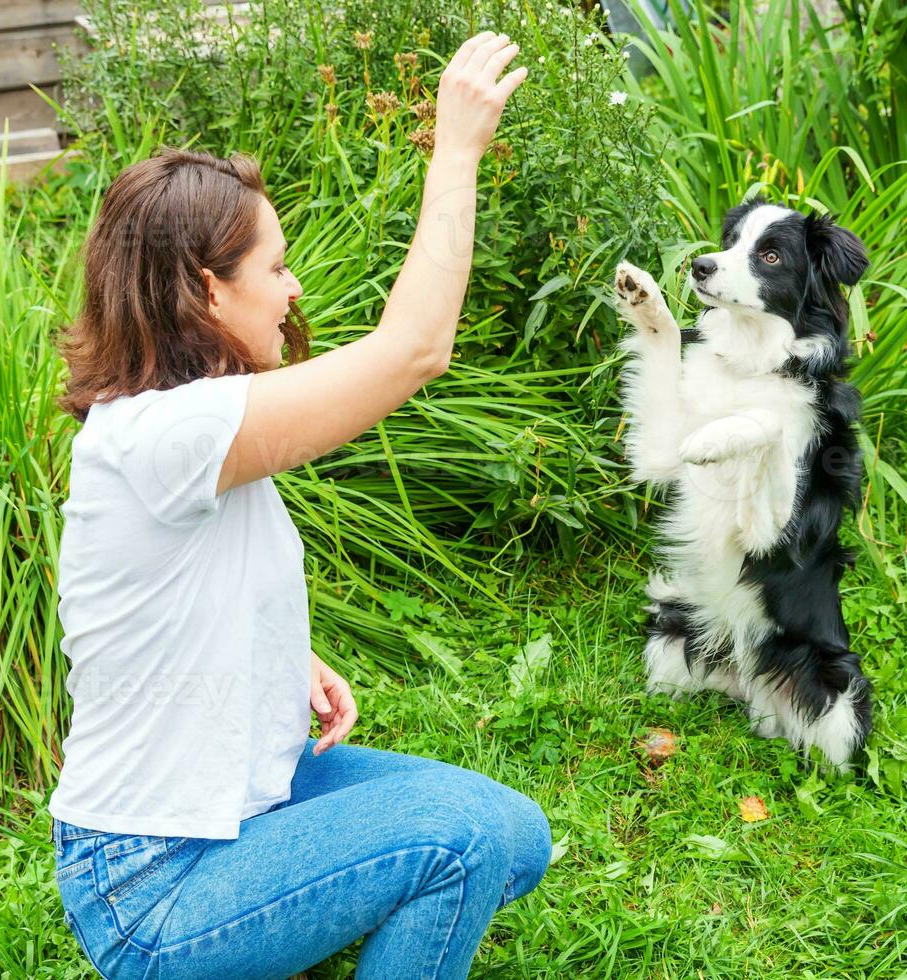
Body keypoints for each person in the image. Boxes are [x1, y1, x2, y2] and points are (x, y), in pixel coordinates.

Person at [45, 32, 548, 979]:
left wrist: (284, 655)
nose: (294, 289)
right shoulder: (163, 433)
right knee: (465, 837)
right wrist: (456, 150)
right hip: (153, 884)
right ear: (206, 288)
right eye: (274, 268)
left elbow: (168, 597)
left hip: (246, 804)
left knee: (516, 835)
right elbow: (413, 350)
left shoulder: (184, 429)